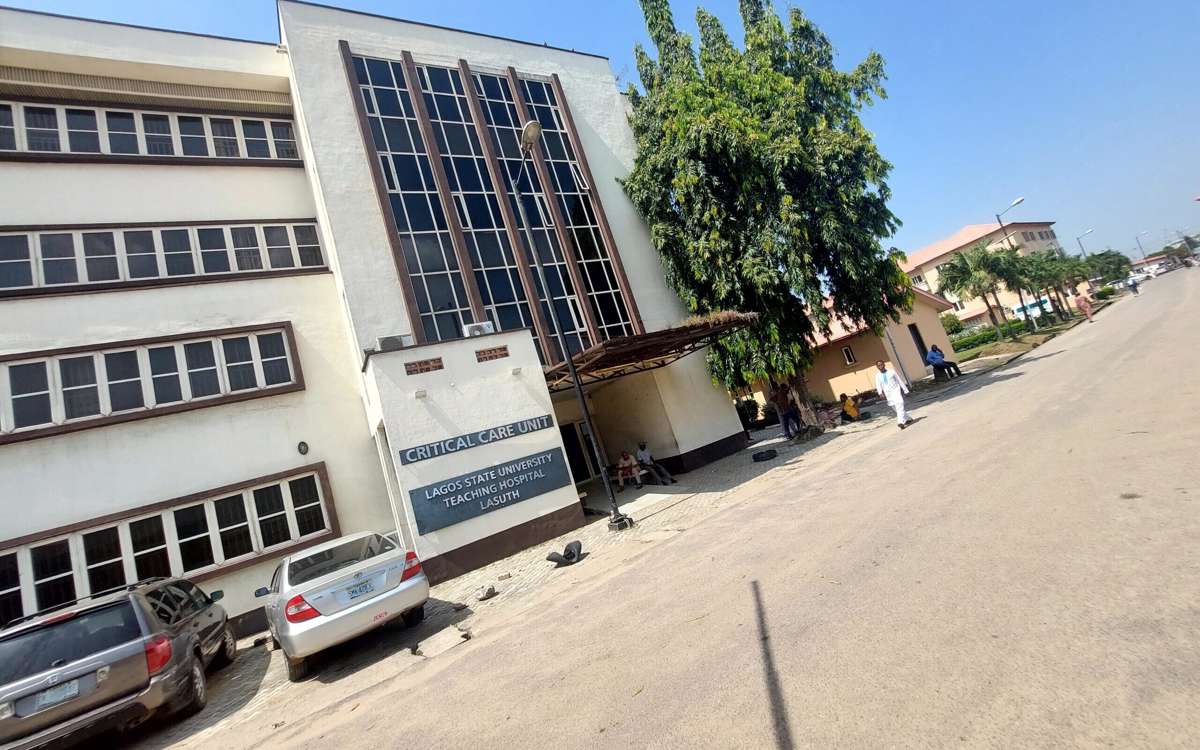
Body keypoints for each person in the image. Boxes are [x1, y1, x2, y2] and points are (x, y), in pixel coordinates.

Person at [875, 360, 912, 429]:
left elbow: (899, 381)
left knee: (899, 404)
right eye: (879, 365)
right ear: (877, 367)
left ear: (884, 364)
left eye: (881, 364)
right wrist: (880, 393)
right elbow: (878, 385)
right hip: (888, 394)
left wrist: (905, 390)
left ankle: (900, 422)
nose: (880, 366)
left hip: (896, 391)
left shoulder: (891, 372)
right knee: (895, 408)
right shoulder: (877, 376)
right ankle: (908, 418)